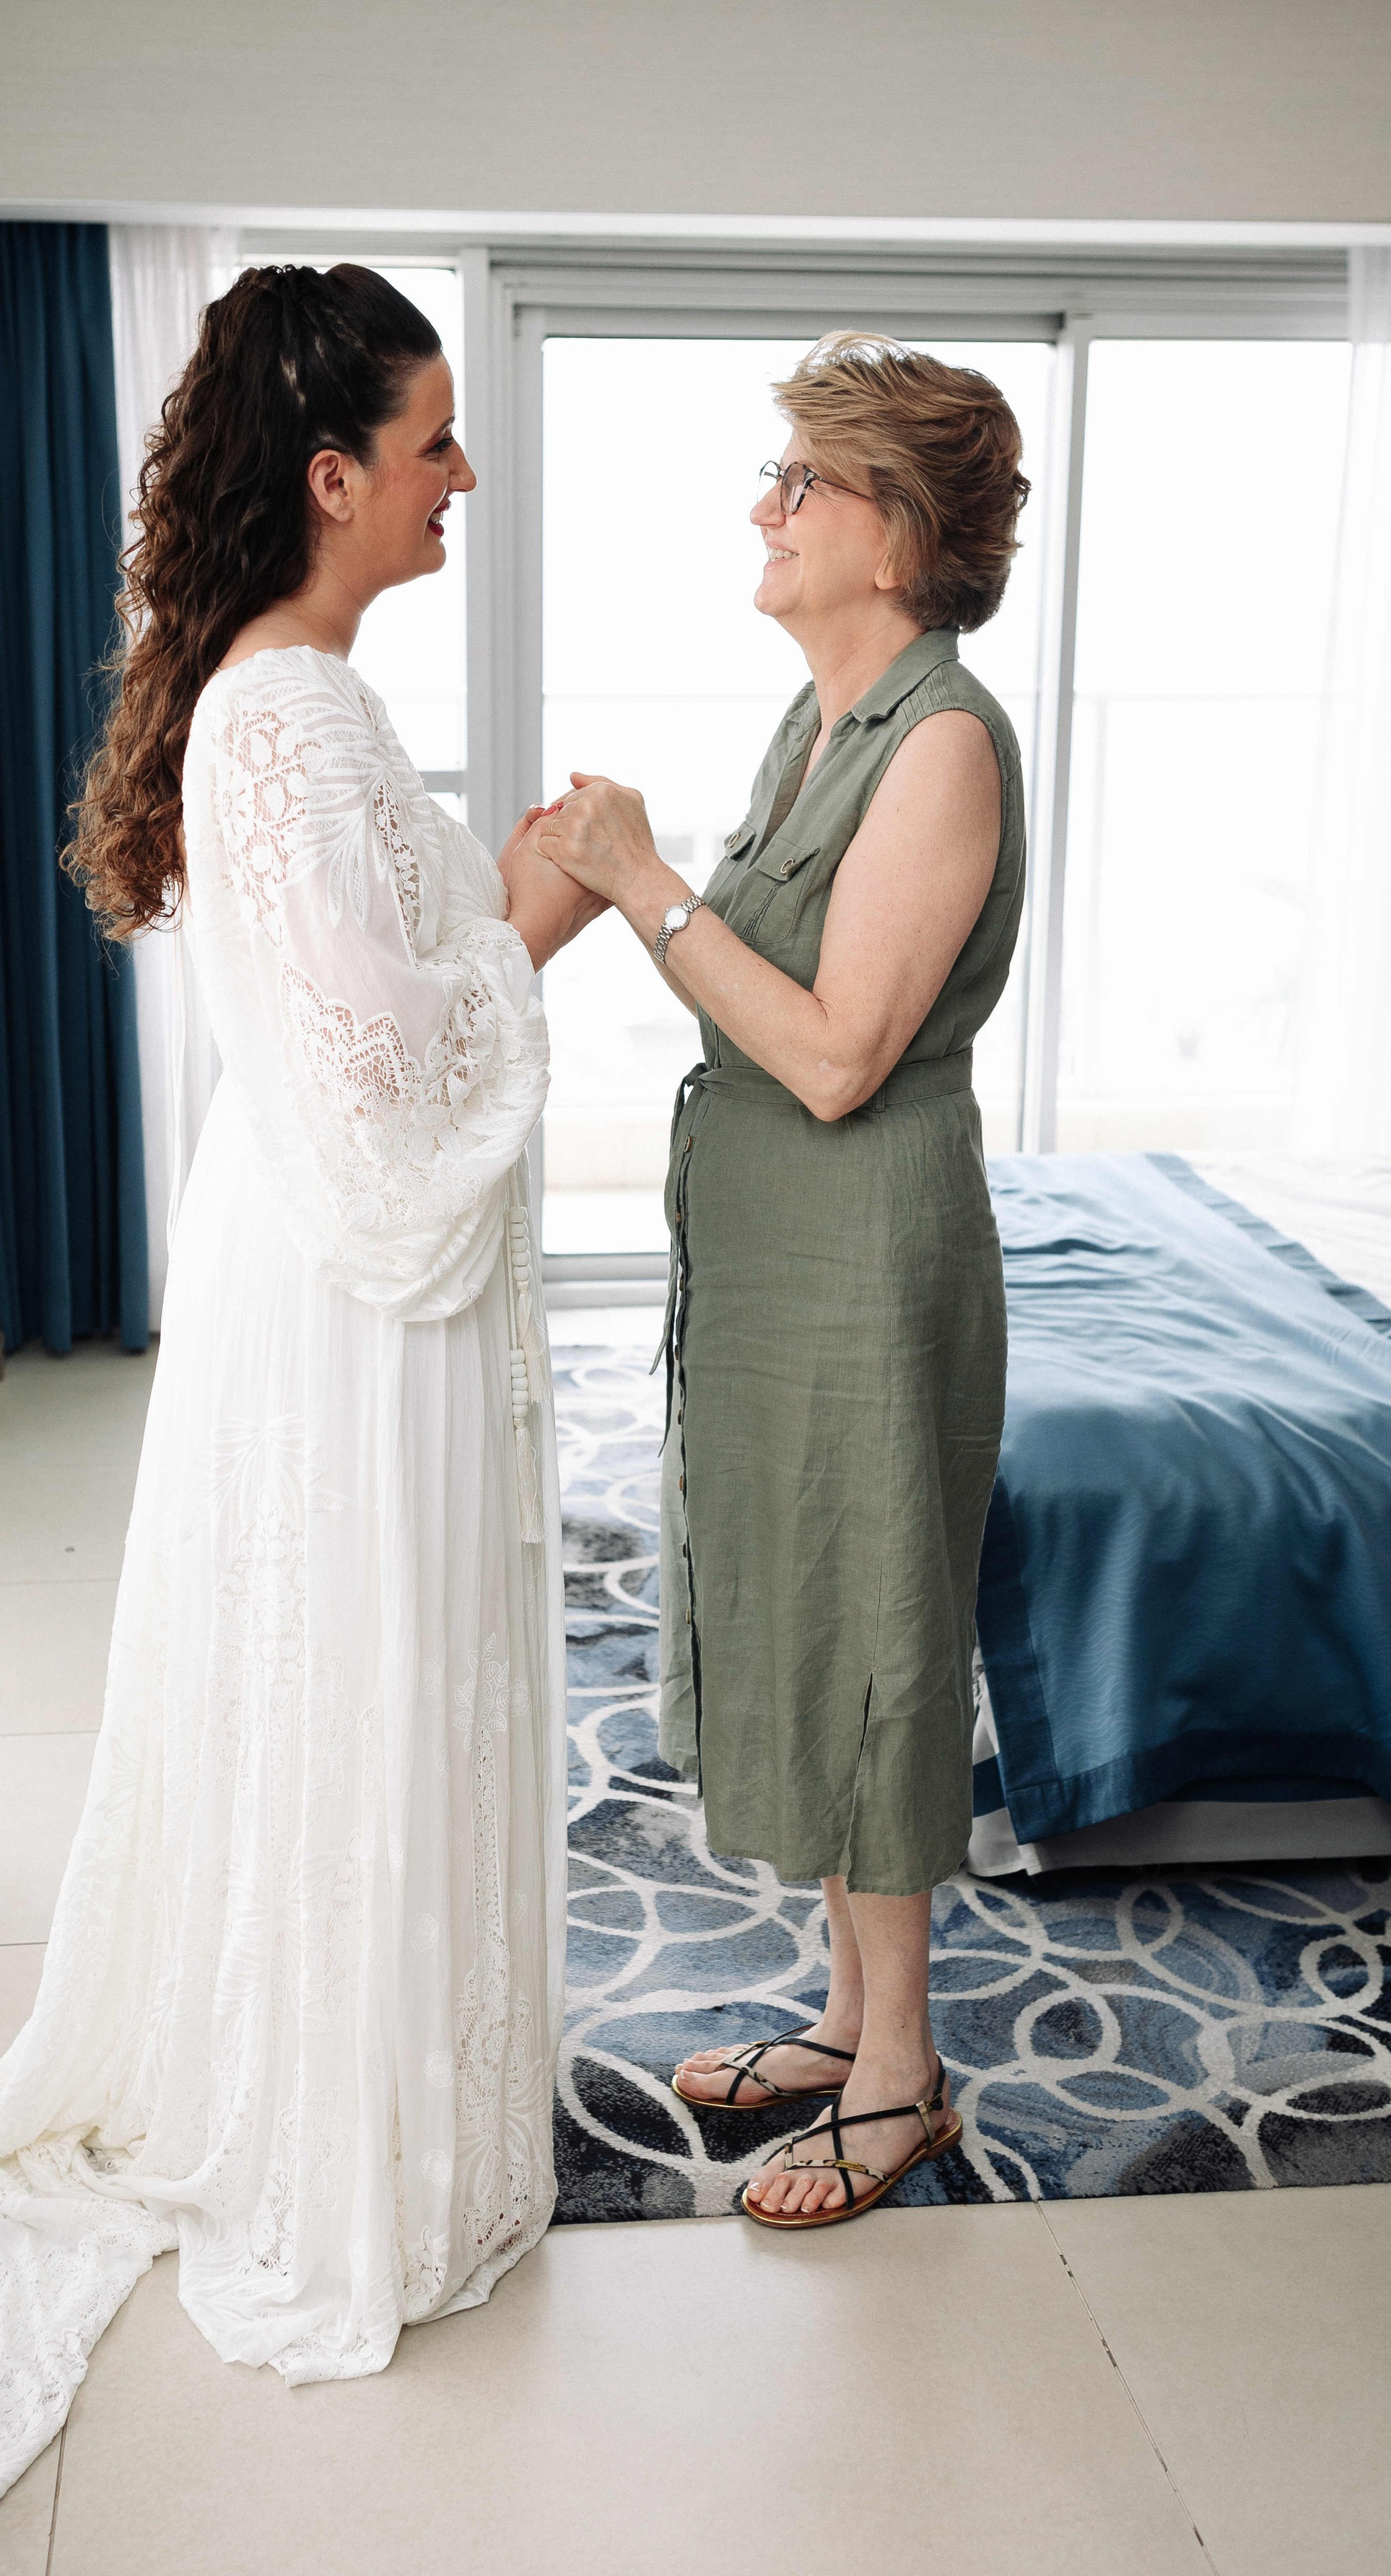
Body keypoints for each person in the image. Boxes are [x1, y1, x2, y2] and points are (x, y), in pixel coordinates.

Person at [0, 264, 605, 2537]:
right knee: (361, 1680)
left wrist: (491, 916)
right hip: (348, 1285)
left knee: (362, 1688)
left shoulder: (295, 701)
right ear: (330, 476)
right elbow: (387, 1067)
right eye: (431, 444)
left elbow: (371, 1008)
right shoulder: (290, 717)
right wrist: (544, 924)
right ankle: (343, 2144)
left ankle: (375, 2102)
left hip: (327, 1258)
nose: (460, 477)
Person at [530, 331, 1028, 2229]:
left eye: (799, 482)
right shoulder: (817, 726)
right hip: (772, 1255)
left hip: (868, 1252)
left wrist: (650, 883)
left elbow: (834, 1056)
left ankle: (902, 2079)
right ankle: (846, 2015)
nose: (765, 508)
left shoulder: (946, 743)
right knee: (805, 1618)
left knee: (880, 1635)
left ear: (891, 532)